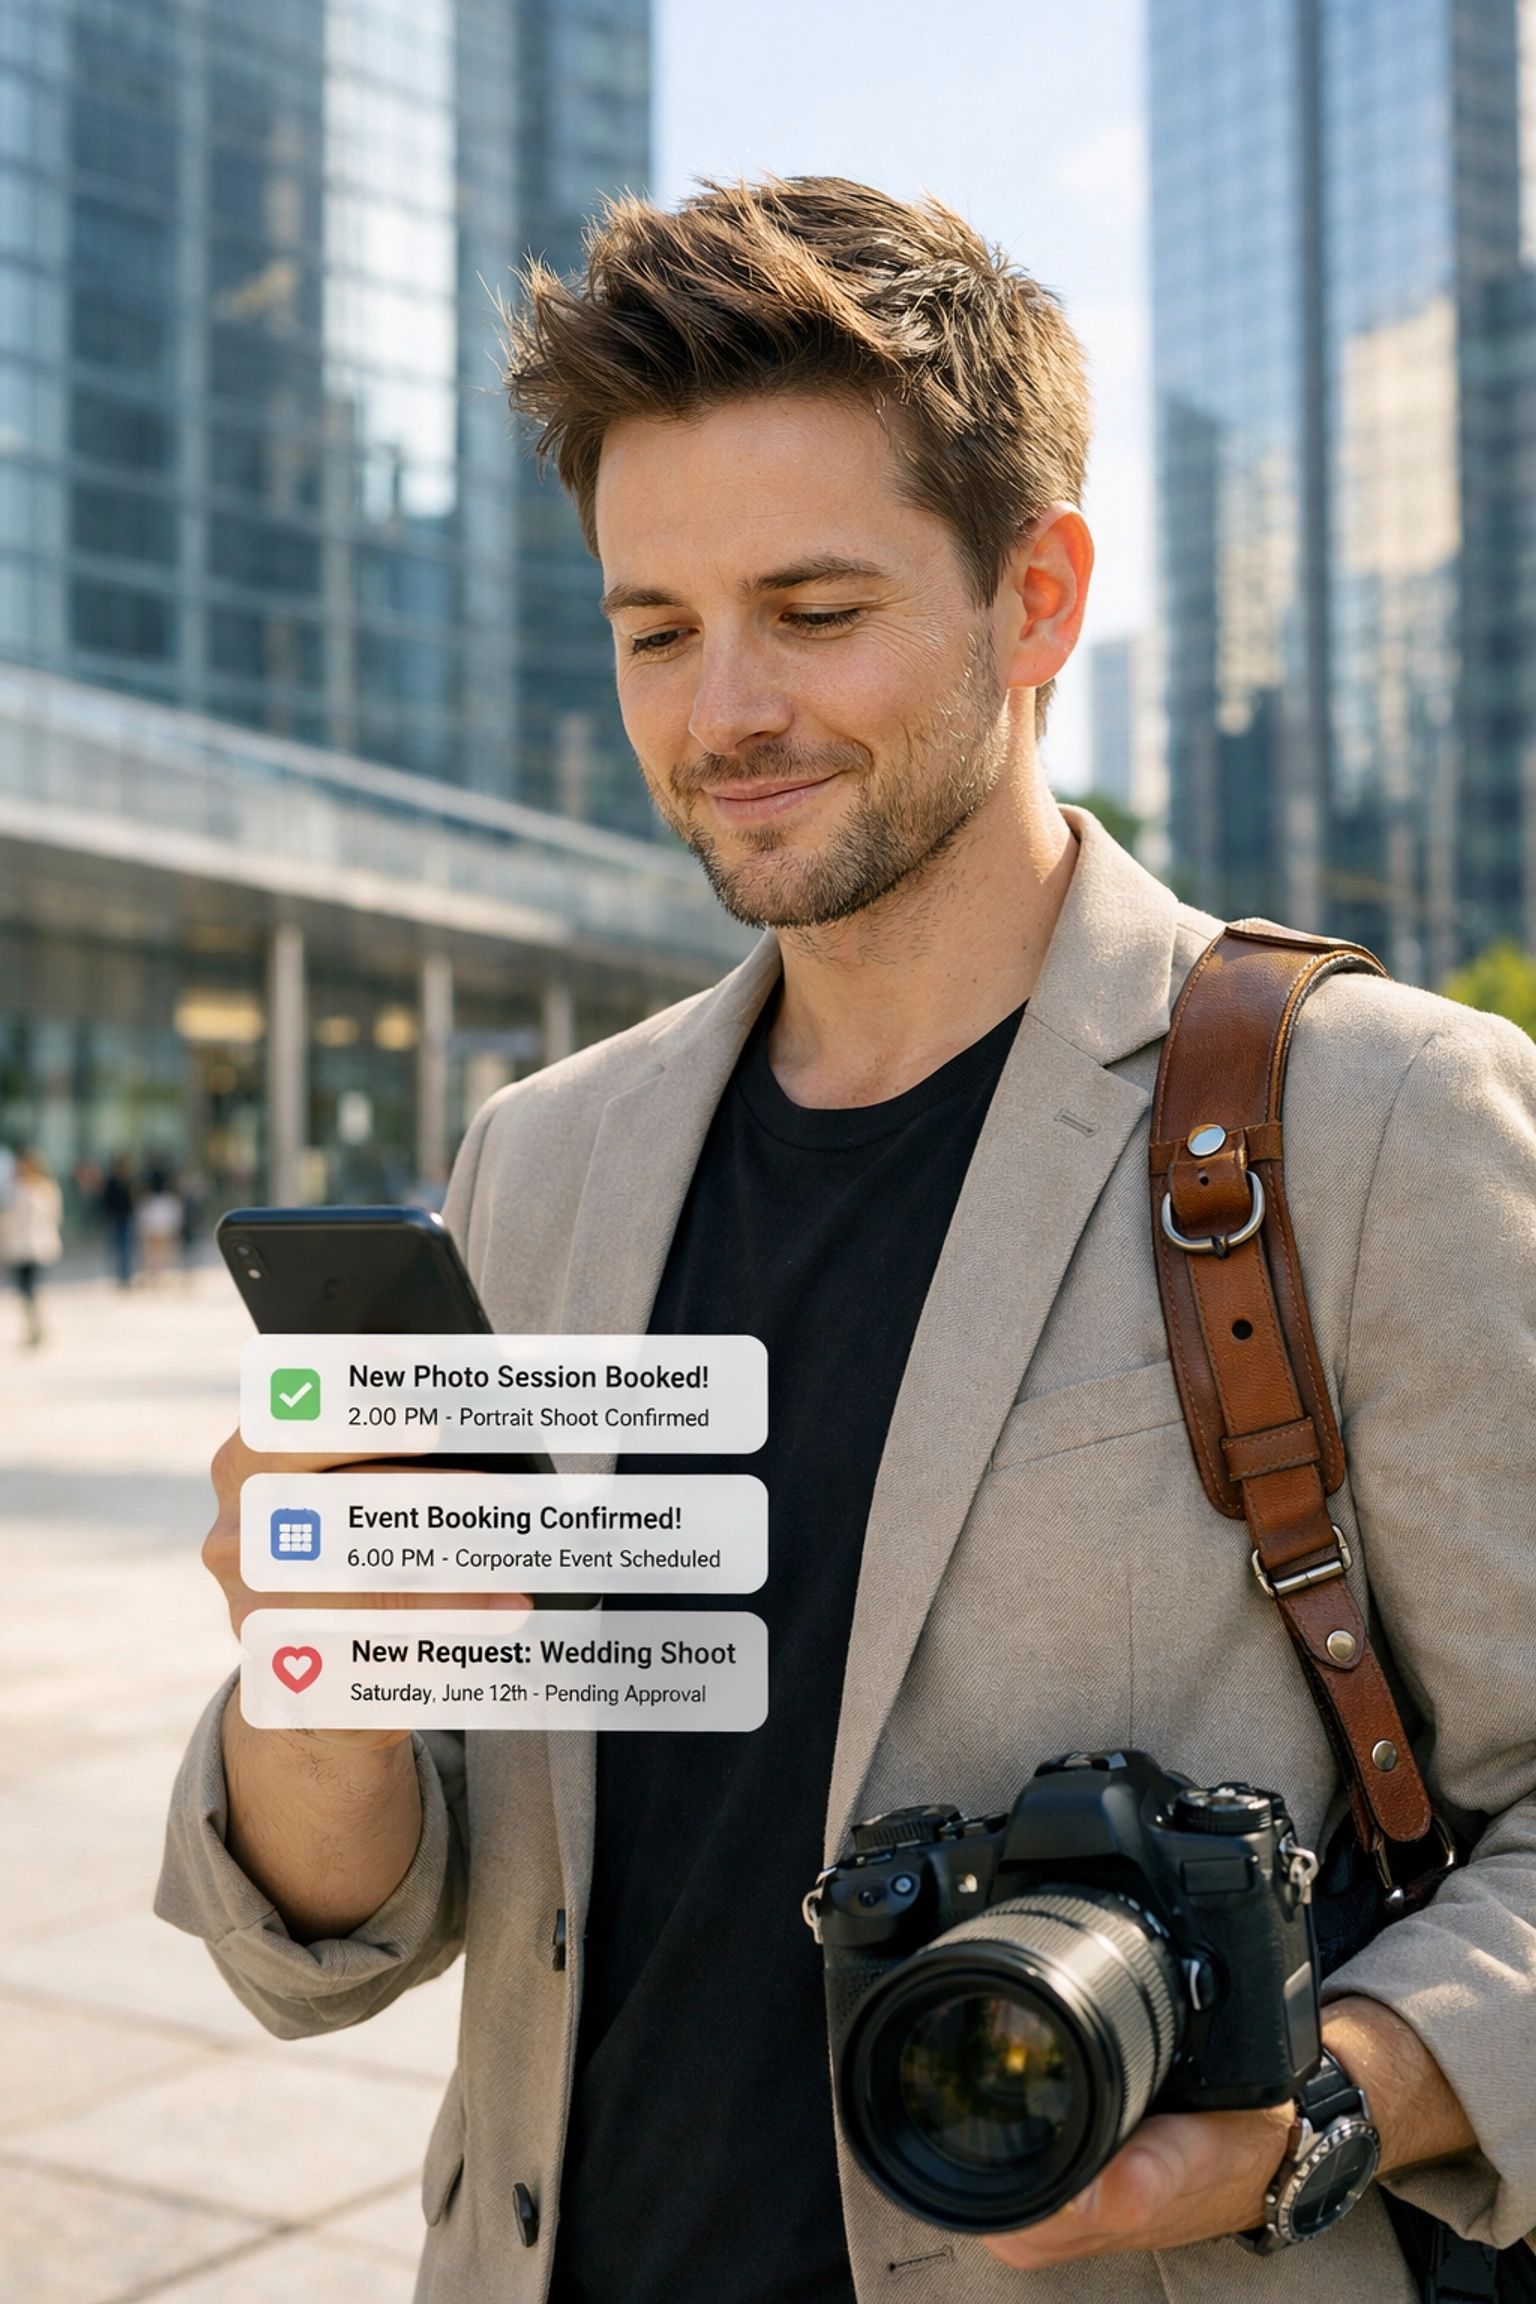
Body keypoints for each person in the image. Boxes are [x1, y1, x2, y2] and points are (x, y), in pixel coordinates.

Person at [157, 181, 1536, 2303]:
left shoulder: (1371, 1122)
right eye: (655, 628)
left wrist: (1306, 2113)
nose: (723, 717)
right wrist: (311, 1664)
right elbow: (359, 1920)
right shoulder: (542, 1158)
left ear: (1039, 596)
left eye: (815, 612)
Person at [2, 1146, 63, 1347]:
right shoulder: (16, 1189)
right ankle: (32, 1325)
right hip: (18, 1247)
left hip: (37, 1246)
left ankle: (35, 1326)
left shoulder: (44, 1189)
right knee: (24, 1289)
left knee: (29, 1288)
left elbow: (51, 1217)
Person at [99, 1154, 136, 1289]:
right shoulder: (112, 1182)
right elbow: (106, 1201)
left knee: (126, 1248)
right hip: (116, 1218)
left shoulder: (128, 1181)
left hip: (125, 1218)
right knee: (119, 1247)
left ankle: (125, 1275)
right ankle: (121, 1275)